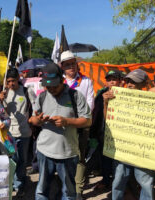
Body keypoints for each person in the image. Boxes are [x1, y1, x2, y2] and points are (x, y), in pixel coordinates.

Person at [29, 63, 91, 200]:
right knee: (41, 190)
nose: (51, 89)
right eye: (48, 86)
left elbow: (87, 120)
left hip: (68, 153)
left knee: (68, 193)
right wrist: (37, 121)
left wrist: (67, 121)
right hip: (44, 152)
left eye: (54, 86)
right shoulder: (42, 96)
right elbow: (32, 119)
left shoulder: (76, 96)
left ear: (62, 80)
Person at [109, 69, 154, 200]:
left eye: (134, 82)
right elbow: (108, 121)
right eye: (127, 81)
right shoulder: (117, 98)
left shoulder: (153, 103)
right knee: (118, 180)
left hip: (143, 151)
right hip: (123, 149)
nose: (129, 84)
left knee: (145, 183)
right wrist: (107, 102)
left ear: (144, 84)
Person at [60, 50, 94, 199]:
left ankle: (78, 190)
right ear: (62, 67)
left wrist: (78, 120)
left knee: (80, 157)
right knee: (64, 156)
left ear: (76, 64)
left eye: (72, 63)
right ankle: (66, 187)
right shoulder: (59, 82)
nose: (71, 67)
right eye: (67, 65)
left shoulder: (86, 81)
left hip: (81, 125)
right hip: (63, 127)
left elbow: (90, 104)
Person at [89, 69, 124, 190]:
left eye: (114, 79)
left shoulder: (127, 95)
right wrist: (93, 133)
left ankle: (120, 184)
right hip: (103, 132)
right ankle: (105, 180)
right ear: (106, 82)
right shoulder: (100, 94)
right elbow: (96, 114)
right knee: (104, 158)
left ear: (120, 81)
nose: (112, 82)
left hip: (121, 134)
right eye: (109, 80)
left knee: (119, 161)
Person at [0, 68, 32, 196]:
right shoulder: (5, 93)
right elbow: (3, 113)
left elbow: (35, 107)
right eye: (8, 81)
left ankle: (20, 185)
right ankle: (12, 183)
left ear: (18, 79)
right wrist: (1, 100)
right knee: (12, 159)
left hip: (24, 132)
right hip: (10, 132)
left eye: (13, 80)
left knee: (22, 160)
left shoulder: (26, 91)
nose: (11, 84)